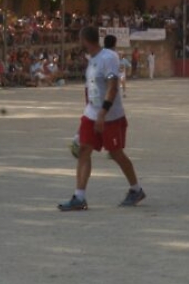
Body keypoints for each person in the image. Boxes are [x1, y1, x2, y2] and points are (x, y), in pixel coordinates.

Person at [58, 26, 146, 211]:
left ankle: (136, 189)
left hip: (110, 116)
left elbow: (112, 87)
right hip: (92, 113)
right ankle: (79, 197)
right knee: (83, 150)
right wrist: (85, 119)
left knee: (115, 153)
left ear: (84, 40)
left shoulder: (108, 57)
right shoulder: (92, 61)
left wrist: (103, 114)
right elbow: (91, 92)